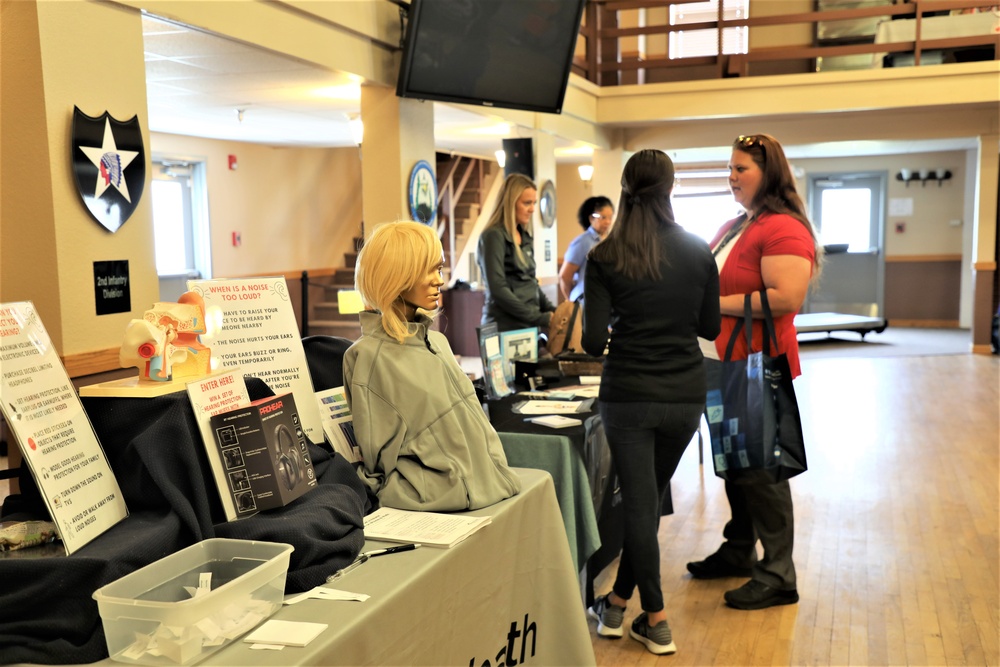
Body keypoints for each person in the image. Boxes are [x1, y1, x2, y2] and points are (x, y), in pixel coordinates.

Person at [582, 149, 720, 655]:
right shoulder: (697, 250)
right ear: (670, 188)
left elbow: (594, 342)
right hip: (685, 394)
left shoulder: (604, 254)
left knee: (642, 504)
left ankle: (655, 617)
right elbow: (709, 327)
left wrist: (630, 331)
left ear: (624, 187)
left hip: (629, 396)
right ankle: (618, 605)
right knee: (646, 503)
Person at [686, 133, 822, 611]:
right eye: (730, 168)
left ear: (769, 173)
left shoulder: (783, 228)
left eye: (741, 168)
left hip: (754, 363)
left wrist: (710, 306)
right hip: (721, 362)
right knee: (736, 469)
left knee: (762, 471)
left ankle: (779, 574)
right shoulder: (735, 225)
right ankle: (740, 549)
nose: (731, 177)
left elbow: (786, 297)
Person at [344, 221, 521, 511]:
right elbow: (378, 461)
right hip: (440, 501)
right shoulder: (368, 357)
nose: (439, 280)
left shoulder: (437, 342)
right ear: (396, 275)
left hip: (493, 485)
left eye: (439, 269)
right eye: (428, 270)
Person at [477, 173, 556, 332]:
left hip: (527, 326)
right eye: (527, 203)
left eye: (534, 203)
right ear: (510, 203)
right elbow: (497, 289)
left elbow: (530, 283)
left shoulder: (525, 236)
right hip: (503, 326)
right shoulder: (493, 236)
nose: (532, 209)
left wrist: (552, 310)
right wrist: (538, 317)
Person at [558, 195, 614, 302]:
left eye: (610, 217)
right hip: (585, 299)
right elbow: (565, 276)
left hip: (603, 298)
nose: (608, 222)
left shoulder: (610, 241)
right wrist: (570, 300)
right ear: (591, 218)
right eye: (603, 217)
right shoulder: (582, 242)